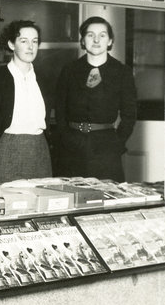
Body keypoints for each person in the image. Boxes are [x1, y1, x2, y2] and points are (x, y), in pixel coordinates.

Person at [53, 16, 137, 181]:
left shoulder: (122, 72)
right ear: (83, 41)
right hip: (72, 147)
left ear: (110, 41)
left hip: (106, 147)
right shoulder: (69, 70)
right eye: (90, 35)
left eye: (102, 35)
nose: (96, 39)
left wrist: (117, 144)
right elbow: (60, 110)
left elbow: (129, 115)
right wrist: (66, 138)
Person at [0, 19, 52, 182]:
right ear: (12, 44)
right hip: (8, 148)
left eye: (35, 41)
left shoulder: (44, 79)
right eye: (24, 41)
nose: (30, 47)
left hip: (39, 148)